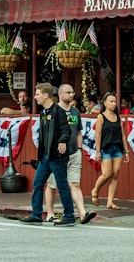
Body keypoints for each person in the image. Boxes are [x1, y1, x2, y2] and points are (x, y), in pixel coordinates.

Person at [19, 83, 76, 226]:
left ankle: (69, 216)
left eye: (37, 94)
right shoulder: (43, 113)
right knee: (37, 183)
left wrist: (62, 141)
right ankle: (36, 214)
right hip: (45, 157)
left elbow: (66, 130)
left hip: (57, 157)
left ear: (45, 95)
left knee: (62, 185)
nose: (35, 97)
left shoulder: (58, 111)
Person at [44, 84, 96, 224]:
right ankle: (49, 212)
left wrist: (79, 148)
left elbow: (78, 131)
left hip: (74, 153)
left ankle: (82, 213)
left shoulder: (75, 112)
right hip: (57, 155)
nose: (72, 94)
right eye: (68, 92)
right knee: (52, 184)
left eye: (73, 92)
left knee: (75, 183)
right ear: (60, 94)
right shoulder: (53, 111)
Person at [90, 91, 130, 210]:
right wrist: (97, 151)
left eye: (114, 102)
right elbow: (98, 135)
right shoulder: (101, 117)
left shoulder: (118, 117)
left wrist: (126, 150)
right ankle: (95, 190)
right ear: (105, 103)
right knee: (106, 174)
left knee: (115, 174)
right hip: (105, 148)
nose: (113, 104)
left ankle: (110, 201)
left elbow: (123, 135)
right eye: (111, 101)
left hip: (117, 148)